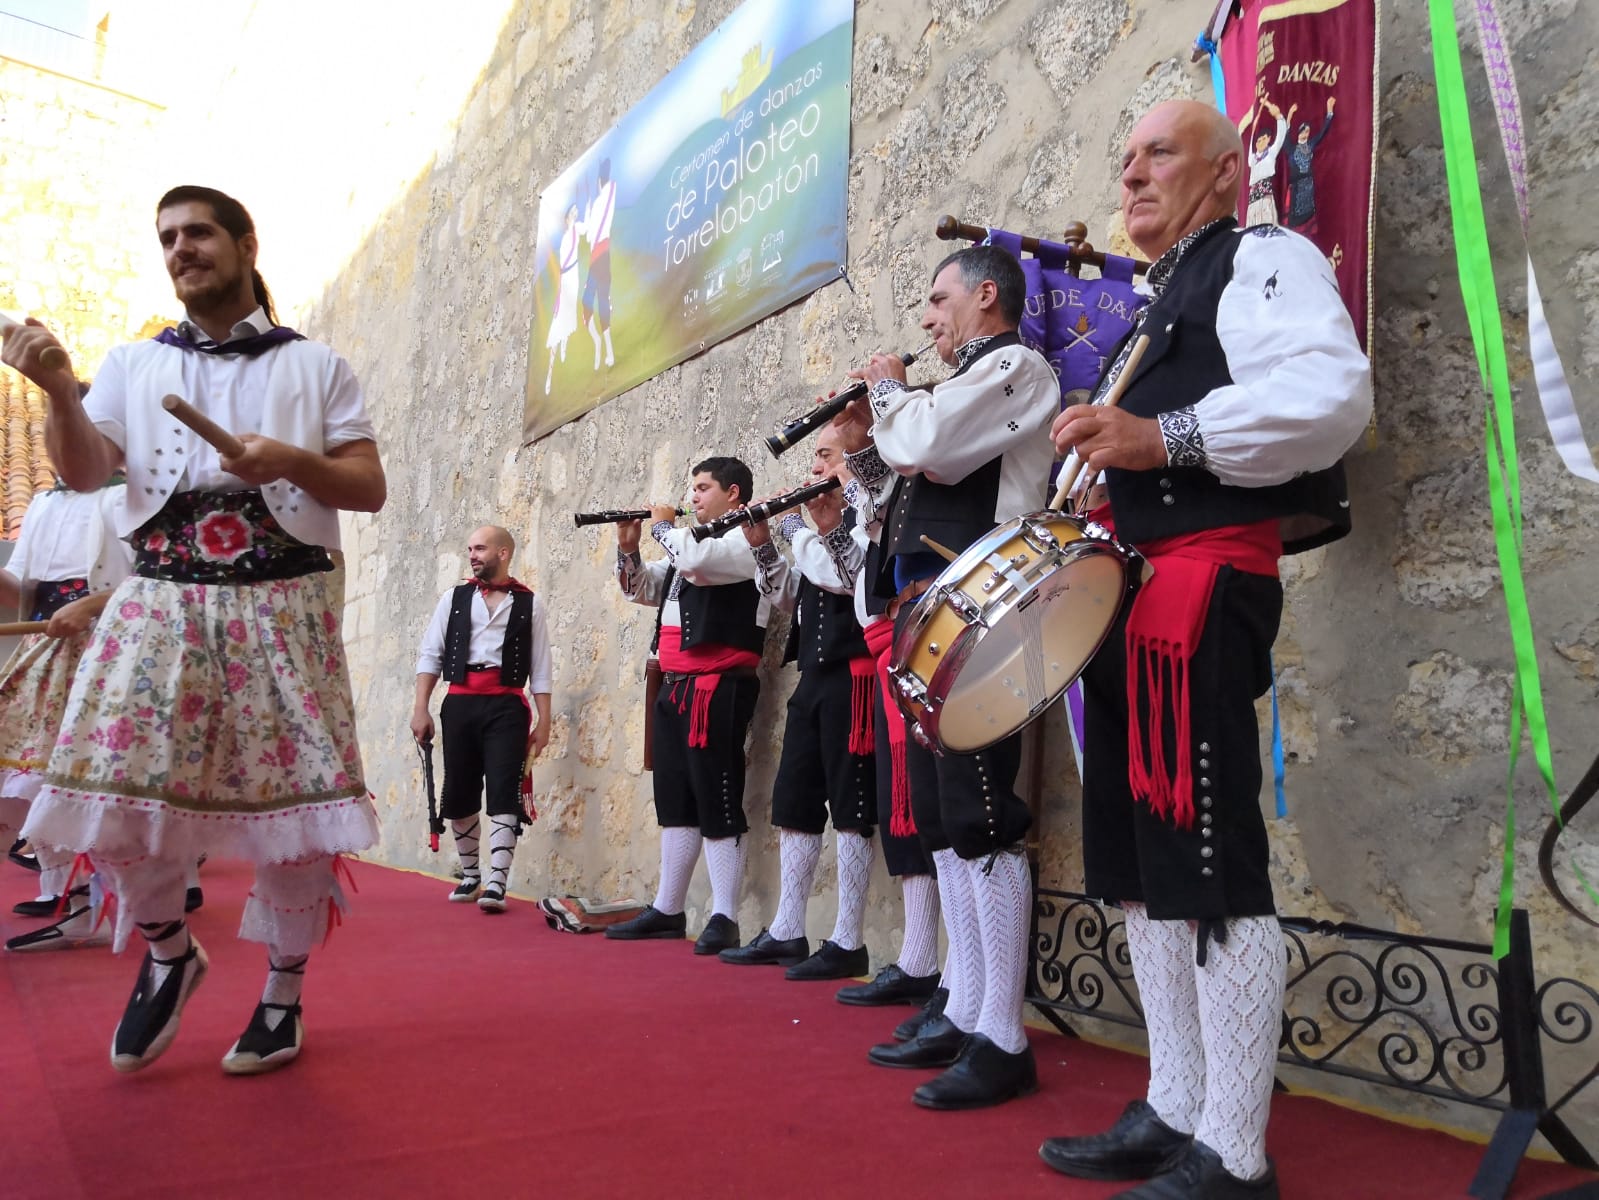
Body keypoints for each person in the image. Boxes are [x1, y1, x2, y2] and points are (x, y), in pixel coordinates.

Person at [1037, 100, 1371, 1199]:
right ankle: (1176, 1103)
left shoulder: (1263, 254)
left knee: (1212, 863)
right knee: (1141, 868)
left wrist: (1157, 436)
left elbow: (1327, 400)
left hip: (1202, 588)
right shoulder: (1150, 309)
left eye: (1159, 156)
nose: (1131, 176)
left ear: (1227, 173)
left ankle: (1236, 1150)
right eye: (1122, 159)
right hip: (1127, 598)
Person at [0, 184, 386, 1076]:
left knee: (297, 814)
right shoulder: (134, 364)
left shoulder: (316, 365)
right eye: (167, 236)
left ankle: (282, 999)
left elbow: (366, 487)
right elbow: (87, 468)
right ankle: (170, 954)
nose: (181, 248)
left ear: (245, 243)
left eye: (198, 232)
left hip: (283, 601)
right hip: (160, 597)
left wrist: (284, 460)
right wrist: (60, 386)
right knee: (108, 789)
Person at [832, 243, 1058, 1110]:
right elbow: (901, 477)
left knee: (982, 816)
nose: (926, 318)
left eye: (936, 299)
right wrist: (861, 441)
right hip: (931, 617)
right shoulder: (951, 389)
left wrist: (888, 388)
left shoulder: (1016, 365)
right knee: (942, 817)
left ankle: (1003, 1034)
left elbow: (930, 445)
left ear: (985, 295)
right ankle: (964, 1007)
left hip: (985, 617)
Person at [719, 427, 877, 980]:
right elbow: (789, 596)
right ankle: (788, 926)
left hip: (855, 677)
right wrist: (765, 543)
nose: (812, 470)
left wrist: (795, 528)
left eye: (823, 457)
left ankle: (849, 937)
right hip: (814, 674)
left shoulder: (867, 514)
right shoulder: (822, 522)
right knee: (795, 800)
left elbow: (845, 578)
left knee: (853, 805)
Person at [605, 457, 770, 954]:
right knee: (675, 797)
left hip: (718, 686)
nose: (693, 496)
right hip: (675, 684)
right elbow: (640, 588)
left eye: (703, 488)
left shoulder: (744, 542)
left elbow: (698, 566)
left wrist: (661, 526)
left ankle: (725, 916)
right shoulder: (689, 546)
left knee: (717, 794)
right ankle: (669, 907)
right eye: (692, 488)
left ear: (734, 494)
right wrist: (628, 548)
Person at [0, 474, 130, 949]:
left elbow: (163, 581)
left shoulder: (131, 492)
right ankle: (74, 899)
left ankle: (112, 903)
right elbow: (24, 594)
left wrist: (94, 604)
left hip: (110, 647)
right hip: (46, 648)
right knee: (30, 773)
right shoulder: (41, 504)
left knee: (85, 777)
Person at [412, 525, 553, 912]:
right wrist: (420, 707)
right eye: (469, 548)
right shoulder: (454, 599)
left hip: (507, 707)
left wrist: (544, 721)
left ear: (503, 553)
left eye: (479, 548)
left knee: (505, 789)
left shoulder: (530, 604)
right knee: (458, 790)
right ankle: (472, 874)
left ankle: (496, 883)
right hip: (458, 704)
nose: (472, 555)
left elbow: (541, 668)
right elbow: (431, 655)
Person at [580, 157, 617, 370]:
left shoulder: (609, 192)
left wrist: (604, 172)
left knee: (602, 302)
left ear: (599, 182)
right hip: (595, 256)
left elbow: (592, 234)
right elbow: (587, 236)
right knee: (587, 303)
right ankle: (598, 346)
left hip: (602, 254)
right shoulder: (596, 204)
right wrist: (587, 212)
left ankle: (609, 352)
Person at [544, 204, 582, 395]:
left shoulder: (577, 229)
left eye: (577, 213)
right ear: (567, 218)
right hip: (566, 278)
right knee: (558, 323)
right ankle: (549, 376)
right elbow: (562, 264)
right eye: (573, 213)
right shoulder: (566, 238)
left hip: (574, 276)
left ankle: (565, 347)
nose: (575, 215)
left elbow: (585, 228)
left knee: (570, 315)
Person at [1285, 97, 1336, 234]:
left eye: (1307, 131)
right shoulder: (1291, 148)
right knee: (1294, 215)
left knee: (1307, 215)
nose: (1306, 134)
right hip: (1296, 187)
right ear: (1299, 132)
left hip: (1308, 185)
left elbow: (1322, 133)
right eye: (1303, 131)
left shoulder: (1310, 145)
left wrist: (1329, 111)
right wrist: (1290, 114)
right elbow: (1285, 133)